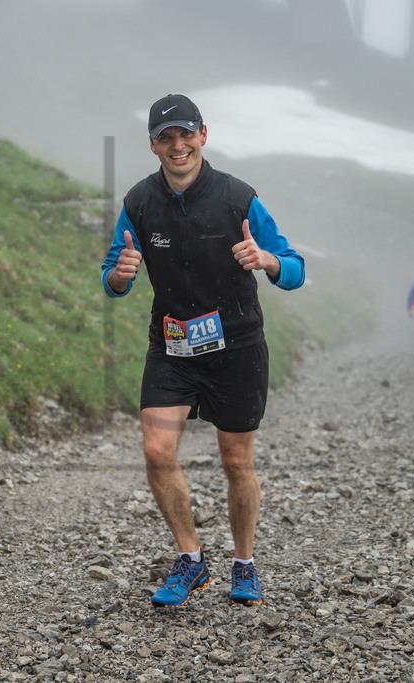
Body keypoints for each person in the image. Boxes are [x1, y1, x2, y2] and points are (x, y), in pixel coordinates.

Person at [100, 94, 305, 609]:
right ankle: (191, 561)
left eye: (185, 134)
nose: (178, 145)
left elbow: (295, 267)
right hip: (171, 345)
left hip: (236, 346)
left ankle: (244, 564)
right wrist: (119, 278)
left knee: (236, 460)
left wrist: (266, 260)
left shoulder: (238, 198)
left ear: (203, 135)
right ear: (153, 146)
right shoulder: (139, 202)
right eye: (166, 138)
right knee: (155, 451)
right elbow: (112, 274)